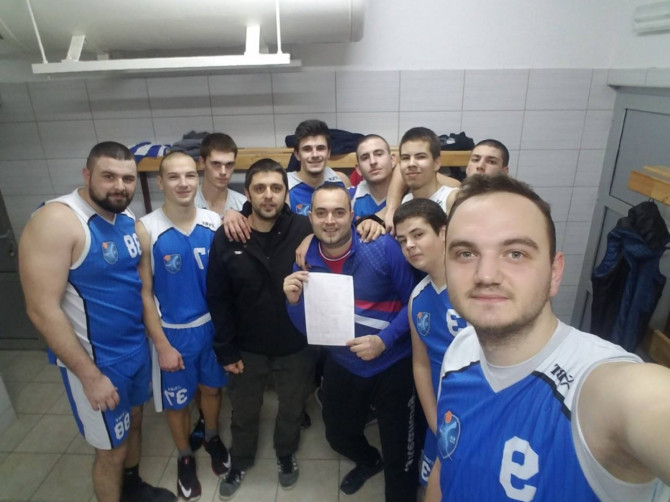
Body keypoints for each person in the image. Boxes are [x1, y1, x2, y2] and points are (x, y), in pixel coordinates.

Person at [426, 174, 670, 501]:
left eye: (515, 253)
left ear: (555, 273)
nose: (486, 275)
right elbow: (445, 466)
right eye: (466, 253)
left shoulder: (604, 388)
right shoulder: (459, 352)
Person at [18, 142, 176, 502]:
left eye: (127, 179)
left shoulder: (126, 219)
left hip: (134, 351)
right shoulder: (58, 220)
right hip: (96, 362)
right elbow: (41, 309)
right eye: (108, 176)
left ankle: (132, 488)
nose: (119, 186)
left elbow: (138, 289)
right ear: (87, 174)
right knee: (110, 450)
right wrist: (89, 377)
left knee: (134, 424)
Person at [284, 184, 420, 501]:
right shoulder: (304, 261)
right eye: (321, 213)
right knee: (338, 434)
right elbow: (308, 329)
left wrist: (384, 341)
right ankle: (370, 461)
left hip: (394, 362)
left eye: (338, 212)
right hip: (344, 363)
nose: (330, 220)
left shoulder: (382, 248)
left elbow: (415, 302)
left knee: (401, 451)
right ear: (310, 217)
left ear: (352, 215)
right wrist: (293, 303)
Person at [207, 158, 314, 499]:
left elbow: (342, 229)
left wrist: (316, 235)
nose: (268, 195)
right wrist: (226, 350)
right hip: (247, 346)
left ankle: (286, 453)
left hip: (295, 343)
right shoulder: (228, 236)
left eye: (276, 188)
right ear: (247, 194)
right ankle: (240, 460)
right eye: (260, 188)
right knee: (244, 410)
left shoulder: (304, 228)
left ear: (286, 193)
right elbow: (218, 297)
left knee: (292, 407)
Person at [136, 152, 229, 500]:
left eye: (190, 175)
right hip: (173, 332)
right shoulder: (146, 228)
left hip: (212, 327)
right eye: (174, 177)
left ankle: (212, 437)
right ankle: (185, 456)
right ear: (160, 182)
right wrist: (161, 345)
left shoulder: (213, 221)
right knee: (177, 403)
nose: (183, 183)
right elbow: (144, 294)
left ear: (198, 178)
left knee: (213, 390)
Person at [393, 199, 468, 491]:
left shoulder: (477, 284)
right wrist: (434, 422)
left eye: (418, 234)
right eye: (402, 240)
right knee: (435, 487)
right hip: (443, 417)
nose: (409, 245)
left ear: (444, 232)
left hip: (484, 412)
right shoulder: (418, 297)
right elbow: (421, 363)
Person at [287, 119, 350, 215]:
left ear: (328, 152)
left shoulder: (342, 181)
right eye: (307, 149)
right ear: (297, 154)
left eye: (320, 148)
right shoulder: (286, 186)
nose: (315, 155)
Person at [398, 127, 459, 210]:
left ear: (436, 163)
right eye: (405, 158)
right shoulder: (407, 200)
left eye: (420, 157)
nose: (411, 164)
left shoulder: (451, 199)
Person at [194, 132, 246, 216]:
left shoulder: (243, 205)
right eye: (216, 164)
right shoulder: (187, 204)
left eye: (229, 164)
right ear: (202, 162)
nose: (223, 172)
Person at [350, 134, 396, 220]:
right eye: (365, 158)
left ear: (392, 160)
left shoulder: (408, 196)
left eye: (379, 154)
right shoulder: (349, 197)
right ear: (358, 169)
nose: (372, 162)